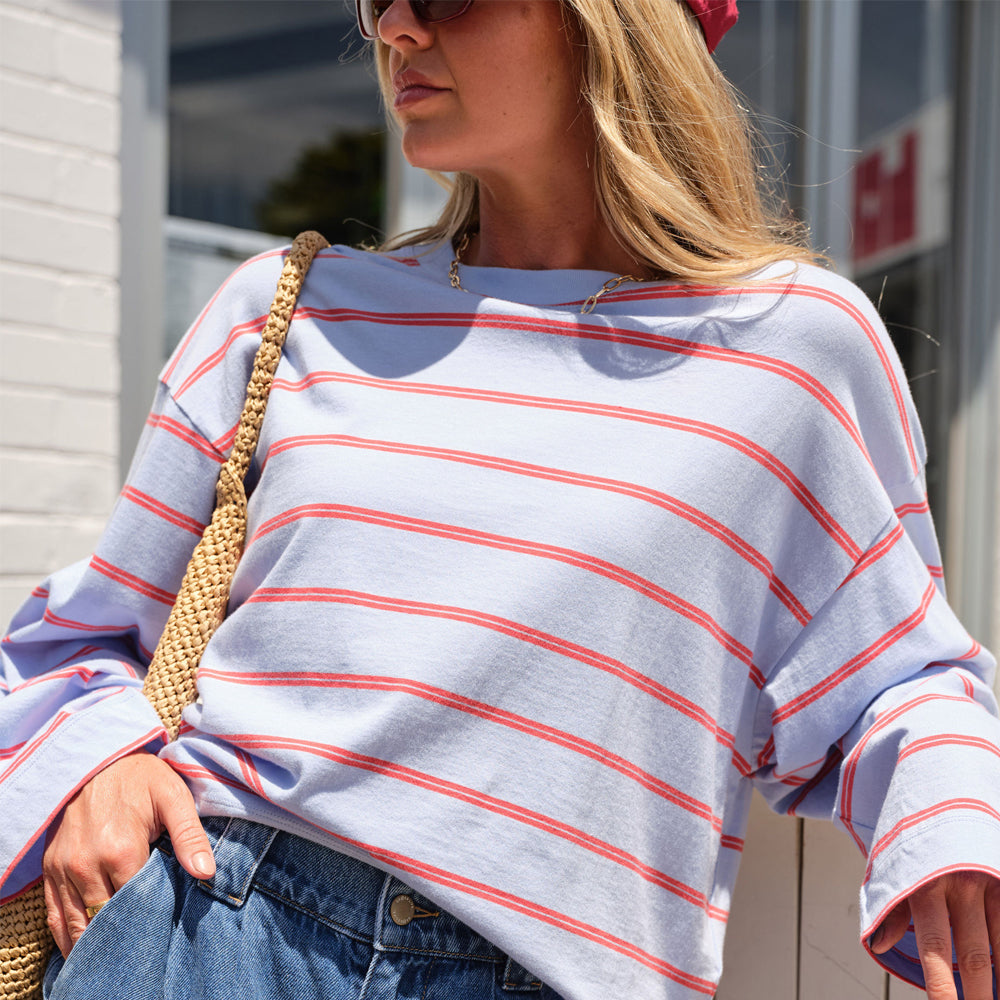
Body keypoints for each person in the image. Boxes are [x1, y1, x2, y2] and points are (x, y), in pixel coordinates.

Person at [1, 0, 998, 997]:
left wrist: (953, 823)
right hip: (207, 928)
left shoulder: (793, 349)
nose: (396, 28)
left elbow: (900, 677)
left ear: (613, 22)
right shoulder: (285, 310)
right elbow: (71, 642)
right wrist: (104, 765)